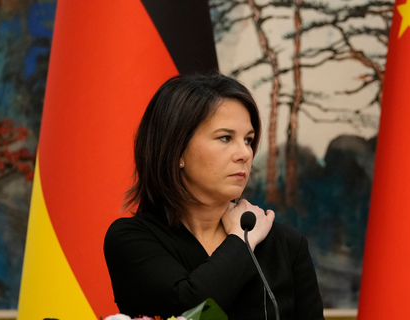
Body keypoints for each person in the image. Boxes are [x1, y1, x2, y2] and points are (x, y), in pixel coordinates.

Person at [104, 73, 324, 319]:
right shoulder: (132, 240)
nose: (245, 153)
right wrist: (242, 241)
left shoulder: (286, 245)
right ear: (176, 151)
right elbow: (188, 307)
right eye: (225, 138)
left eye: (248, 140)